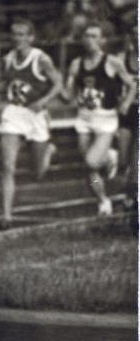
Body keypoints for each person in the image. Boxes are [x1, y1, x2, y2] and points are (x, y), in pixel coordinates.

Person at [0, 18, 62, 228]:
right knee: (7, 166)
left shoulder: (41, 59)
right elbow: (9, 83)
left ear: (31, 37)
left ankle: (48, 151)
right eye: (14, 34)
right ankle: (7, 216)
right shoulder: (8, 58)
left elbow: (58, 83)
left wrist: (43, 101)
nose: (17, 38)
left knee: (37, 173)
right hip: (14, 113)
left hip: (35, 116)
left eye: (22, 34)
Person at [63, 21, 135, 216]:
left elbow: (131, 85)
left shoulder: (112, 62)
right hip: (84, 118)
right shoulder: (77, 64)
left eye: (94, 36)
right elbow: (68, 93)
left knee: (91, 162)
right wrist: (65, 92)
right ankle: (103, 201)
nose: (89, 40)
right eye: (86, 36)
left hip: (105, 119)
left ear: (102, 40)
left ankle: (108, 157)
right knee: (89, 169)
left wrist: (126, 102)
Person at [114, 23, 138, 208]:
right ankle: (128, 188)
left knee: (135, 156)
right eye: (134, 34)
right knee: (123, 158)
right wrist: (119, 98)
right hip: (126, 112)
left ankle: (131, 196)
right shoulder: (121, 59)